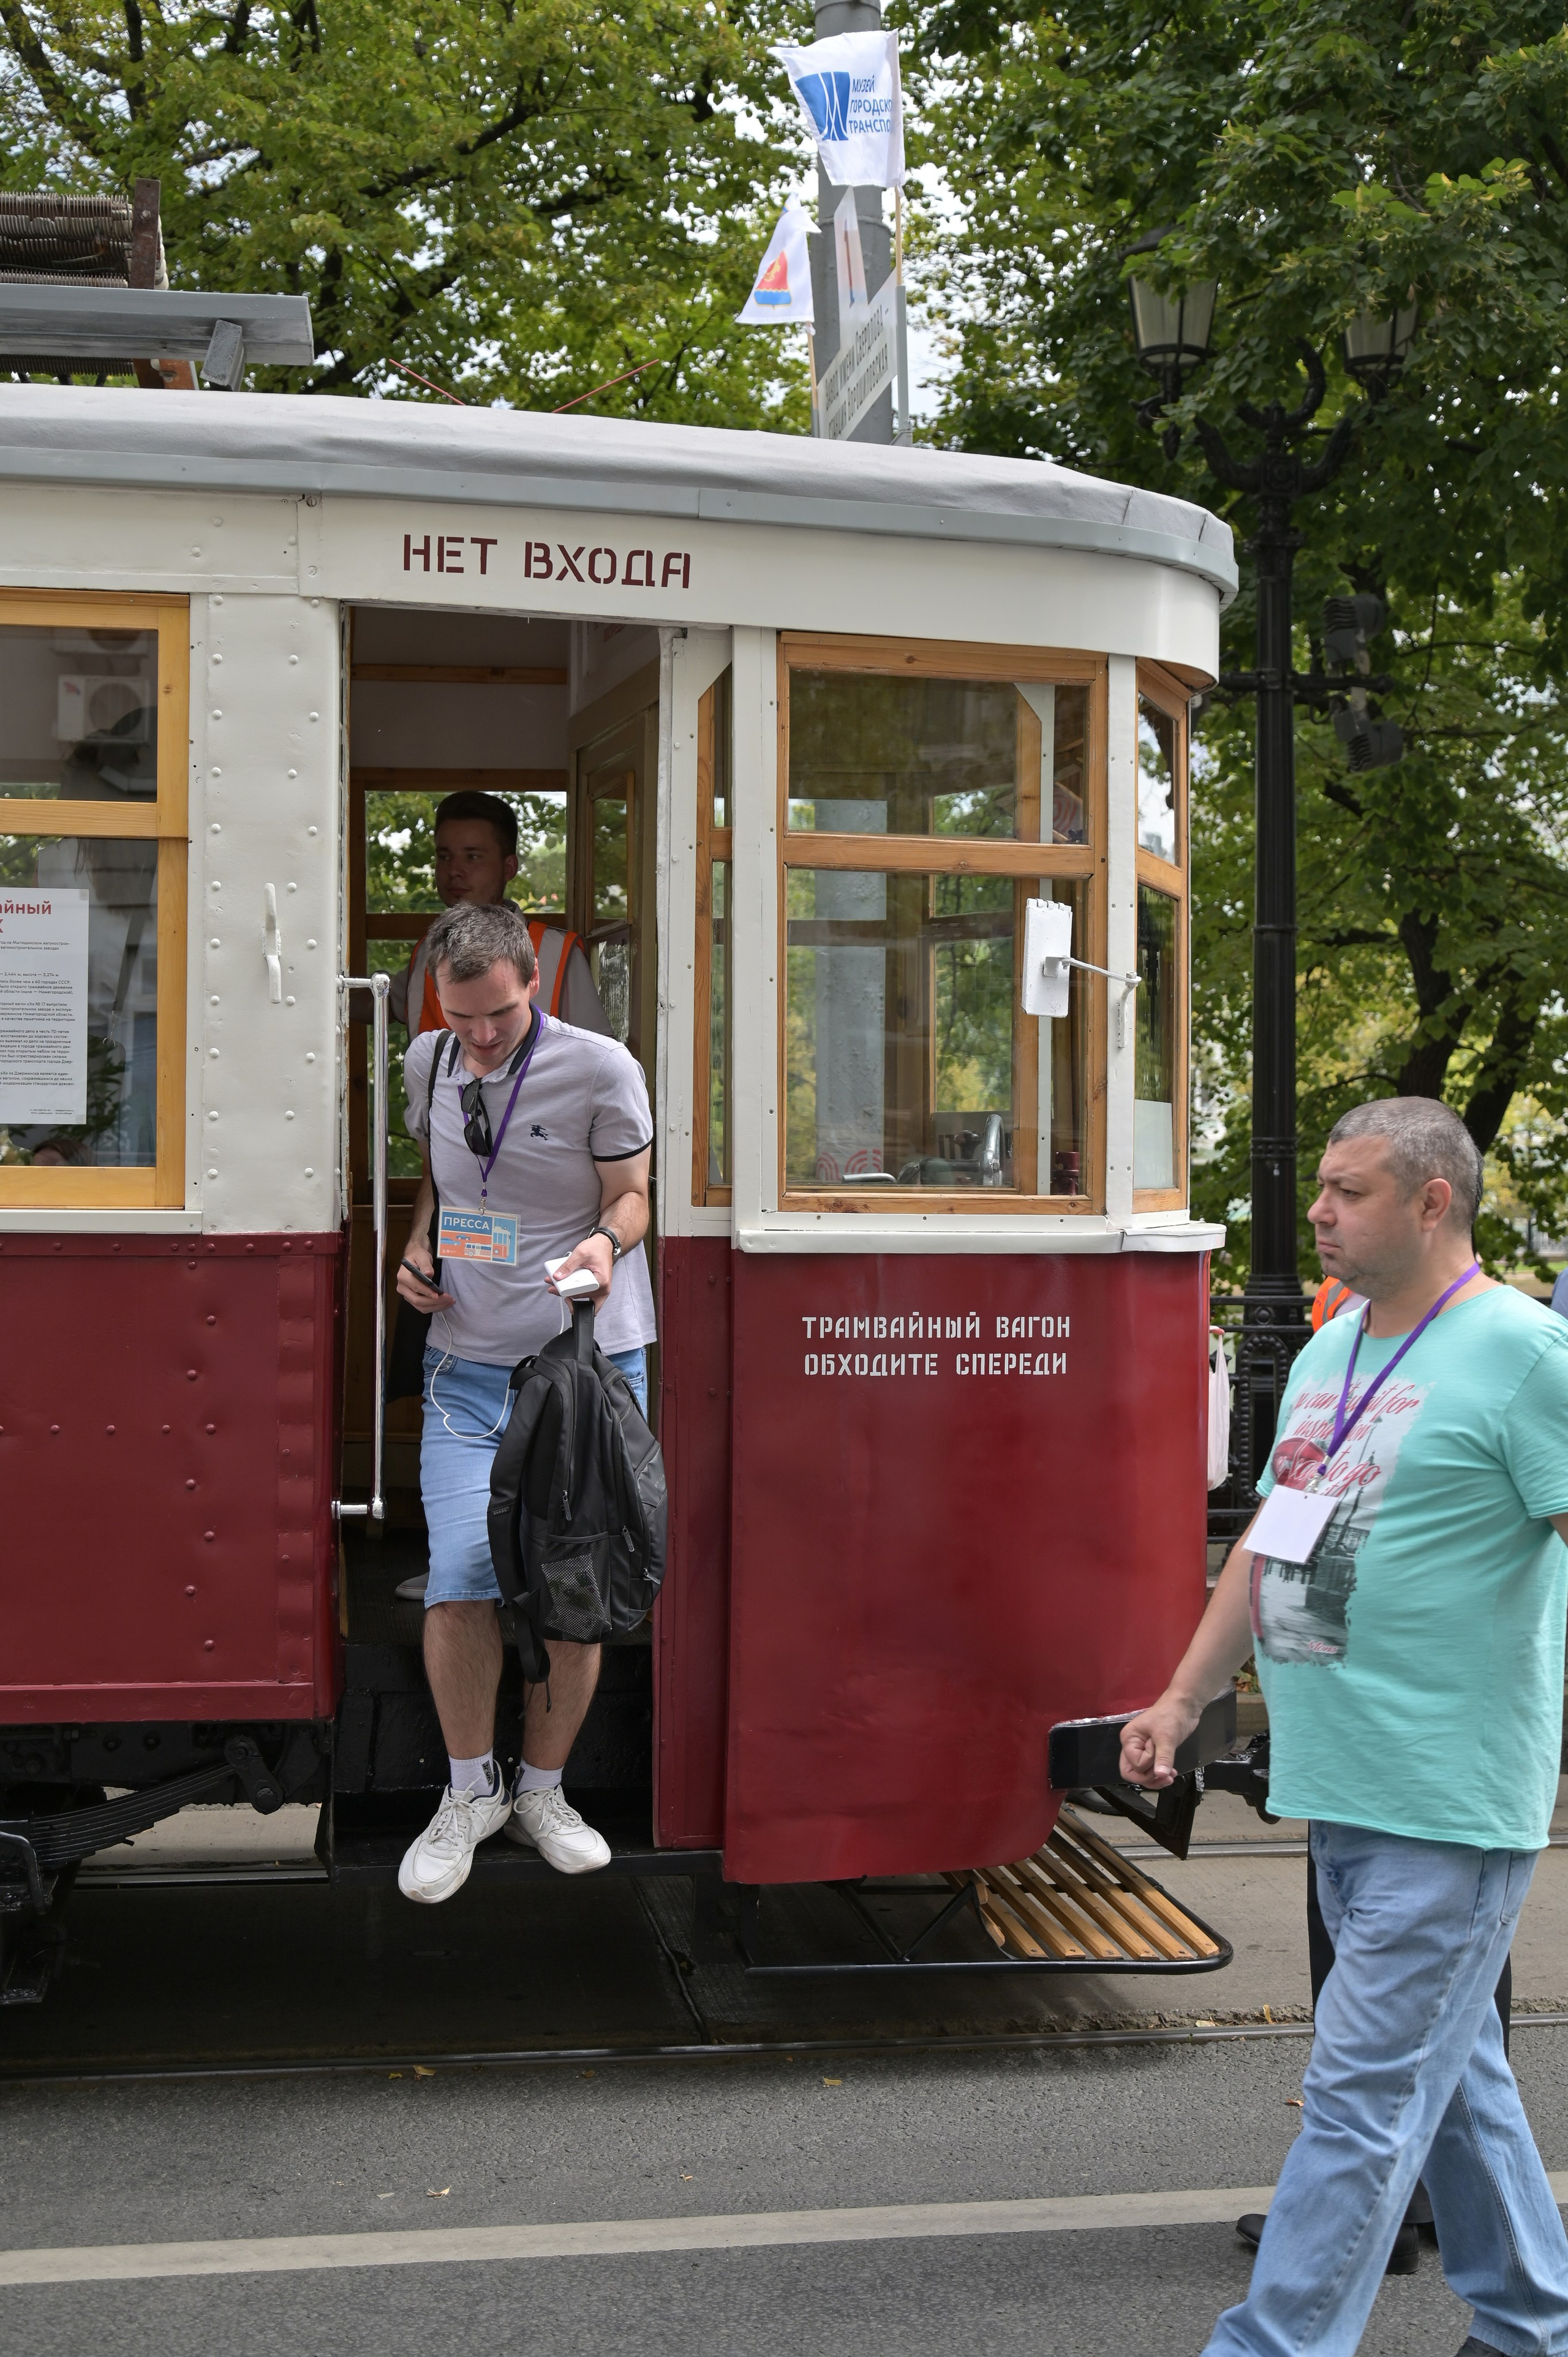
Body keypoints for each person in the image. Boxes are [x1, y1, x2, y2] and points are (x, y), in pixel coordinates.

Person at [1122, 1095, 1568, 2357]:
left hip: (1448, 1791)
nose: (1315, 1210)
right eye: (1318, 1187)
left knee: (1361, 2095)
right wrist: (1180, 1694)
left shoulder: (1523, 1353)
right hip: (1339, 1777)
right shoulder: (1330, 1351)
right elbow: (1268, 1548)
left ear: (1432, 1201)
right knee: (1451, 2073)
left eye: (1347, 1190)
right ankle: (1534, 2321)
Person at [393, 899, 655, 1902]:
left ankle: (543, 1790)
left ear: (530, 983)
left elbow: (632, 1193)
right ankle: (470, 1795)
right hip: (466, 1360)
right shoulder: (427, 1061)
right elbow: (442, 1180)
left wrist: (607, 1243)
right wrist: (419, 1245)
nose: (482, 1037)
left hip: (584, 1366)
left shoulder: (602, 1066)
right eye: (462, 1019)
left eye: (497, 1014)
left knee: (573, 1592)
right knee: (459, 1580)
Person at [386, 789, 610, 1039]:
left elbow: (600, 1059)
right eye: (444, 856)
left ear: (509, 868)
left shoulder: (558, 953)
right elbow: (378, 1002)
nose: (454, 870)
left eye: (472, 856)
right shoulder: (427, 951)